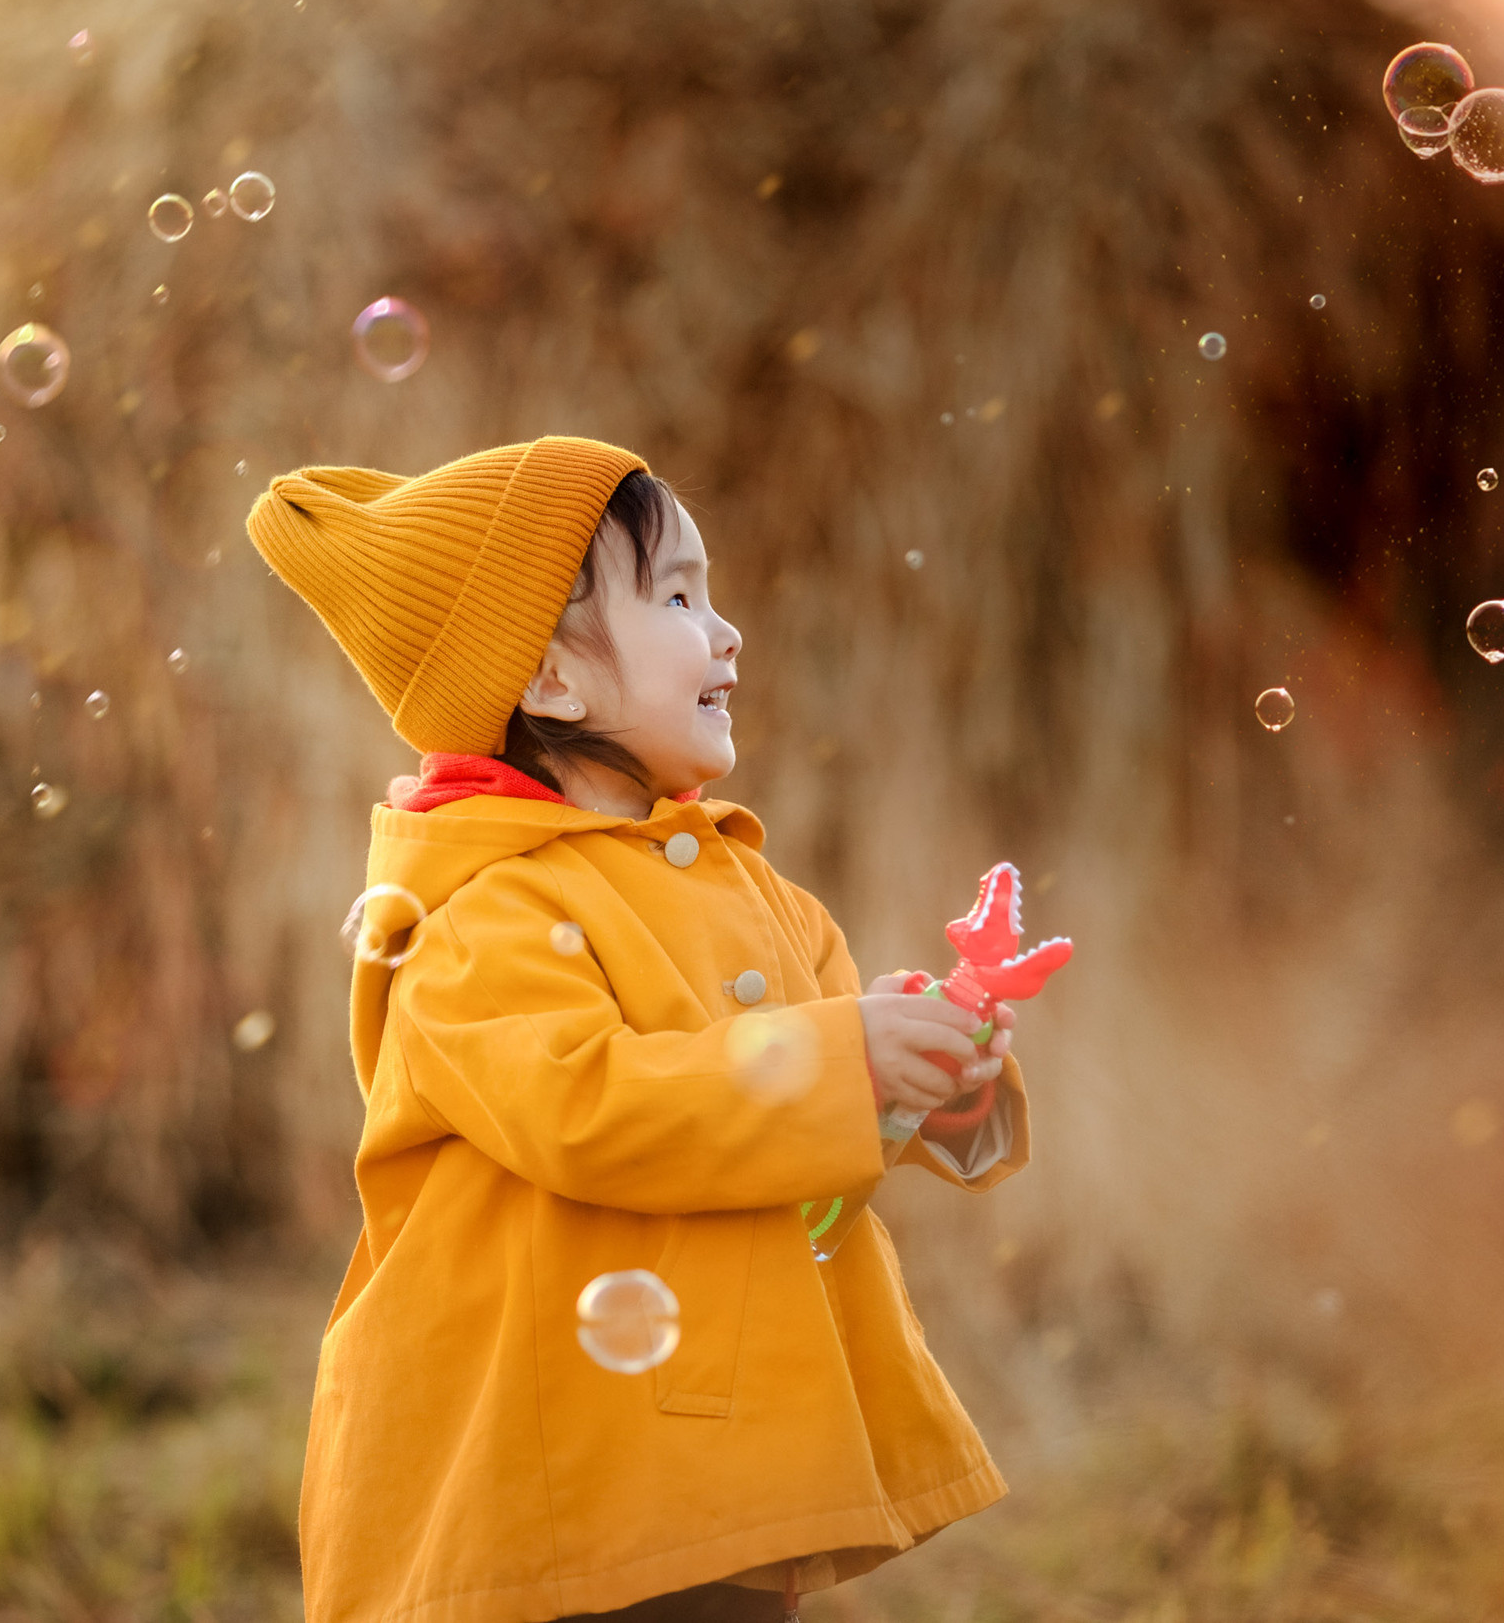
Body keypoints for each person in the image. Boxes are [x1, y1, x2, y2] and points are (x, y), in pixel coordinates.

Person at [247, 436, 1030, 1623]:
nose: (725, 633)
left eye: (708, 594)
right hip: (551, 1484)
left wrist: (923, 1080)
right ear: (550, 682)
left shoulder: (758, 892)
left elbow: (809, 1139)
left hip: (720, 1450)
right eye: (674, 596)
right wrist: (841, 1059)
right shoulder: (480, 914)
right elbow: (589, 1107)